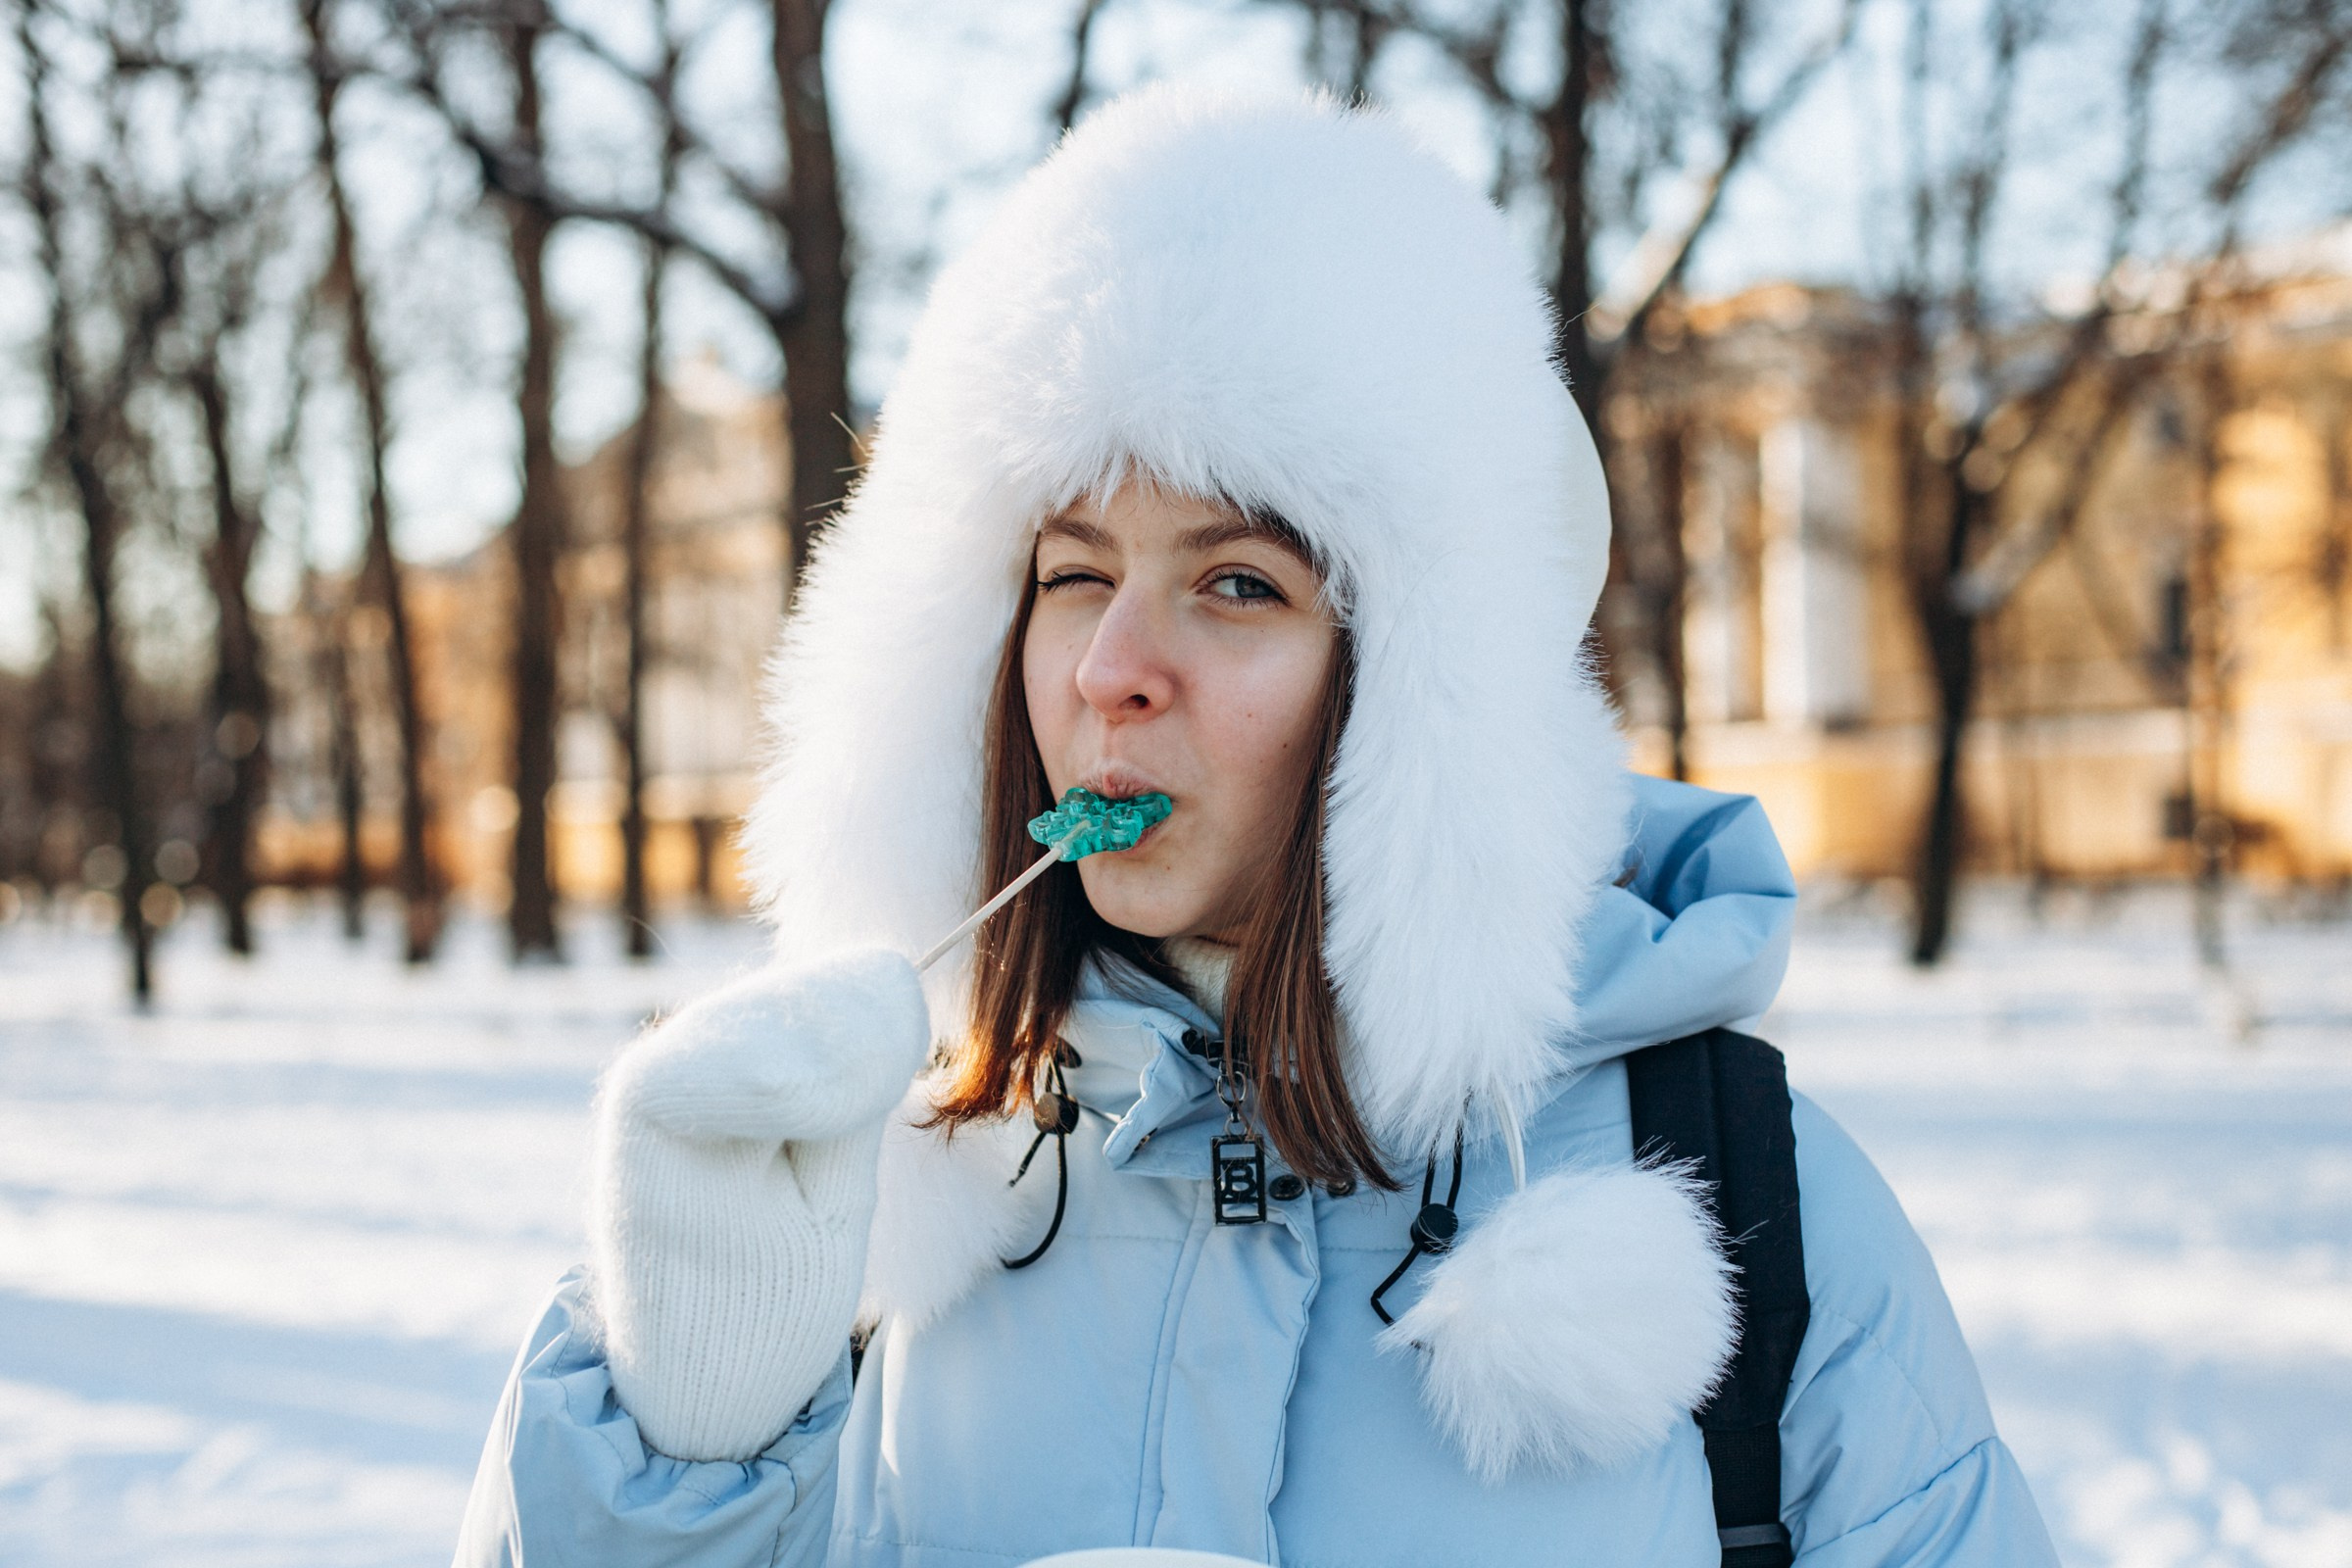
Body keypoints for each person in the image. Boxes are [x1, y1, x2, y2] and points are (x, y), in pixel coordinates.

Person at [453, 84, 2058, 1568]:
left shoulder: (1745, 1200)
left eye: (1239, 584)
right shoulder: (860, 1197)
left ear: (1426, 696)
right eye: (1071, 572)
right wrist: (679, 1425)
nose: (1108, 670)